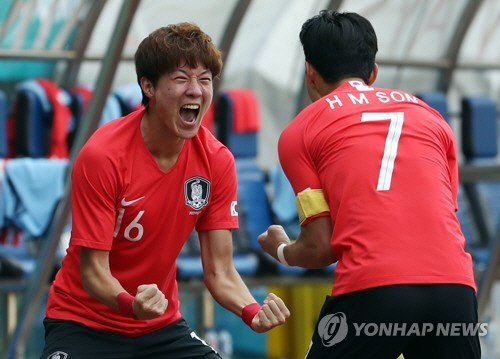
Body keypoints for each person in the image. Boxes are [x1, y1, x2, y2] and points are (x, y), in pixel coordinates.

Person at [40, 23, 289, 359]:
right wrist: (131, 304)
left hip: (160, 328)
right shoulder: (104, 155)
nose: (196, 90)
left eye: (204, 80)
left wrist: (251, 311)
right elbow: (93, 271)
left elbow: (220, 270)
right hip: (84, 324)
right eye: (181, 78)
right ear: (148, 86)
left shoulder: (217, 161)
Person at [257, 10, 480, 359]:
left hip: (374, 288)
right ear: (373, 72)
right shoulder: (432, 117)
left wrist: (281, 250)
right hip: (454, 289)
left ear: (310, 73)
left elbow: (321, 248)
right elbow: (443, 211)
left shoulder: (300, 131)